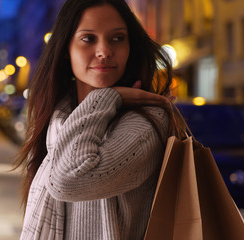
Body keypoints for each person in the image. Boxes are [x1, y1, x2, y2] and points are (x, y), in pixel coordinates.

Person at [13, 0, 176, 239]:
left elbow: (67, 180)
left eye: (117, 38)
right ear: (66, 50)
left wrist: (106, 97)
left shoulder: (147, 124)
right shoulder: (58, 121)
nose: (104, 51)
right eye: (88, 39)